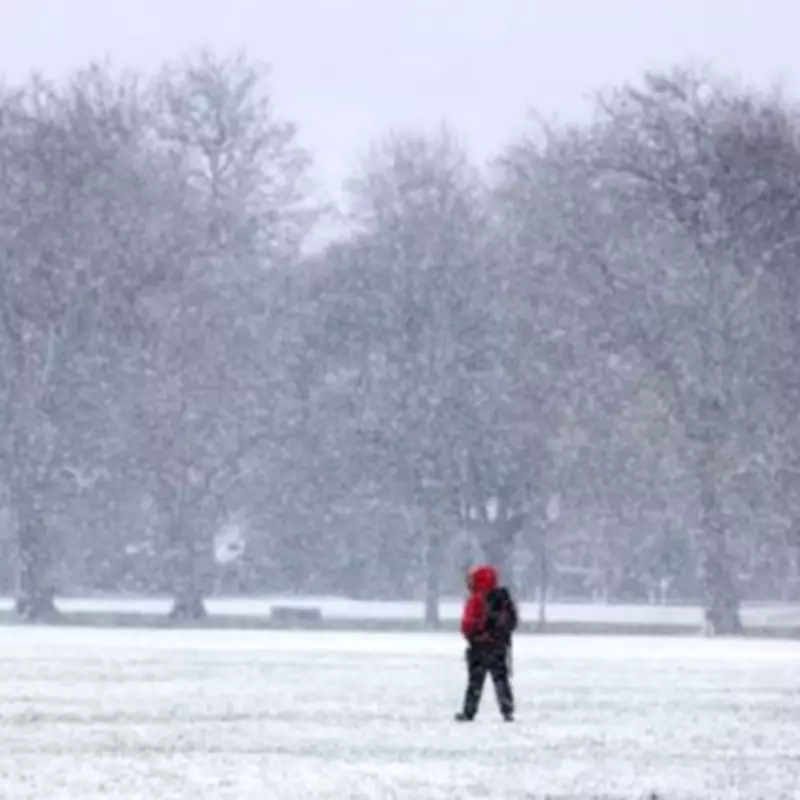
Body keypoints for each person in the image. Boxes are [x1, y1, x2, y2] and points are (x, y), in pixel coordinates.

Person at [455, 563, 517, 722]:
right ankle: (507, 709)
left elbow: (468, 623)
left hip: (478, 646)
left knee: (475, 682)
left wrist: (474, 635)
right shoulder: (501, 599)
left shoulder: (477, 599)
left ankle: (469, 711)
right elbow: (510, 621)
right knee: (501, 679)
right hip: (498, 646)